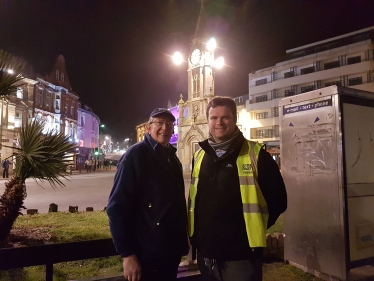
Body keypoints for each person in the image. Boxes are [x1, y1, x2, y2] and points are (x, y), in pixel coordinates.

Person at [189, 97, 287, 281]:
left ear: (234, 120)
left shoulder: (257, 154)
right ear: (208, 120)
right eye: (214, 117)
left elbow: (278, 200)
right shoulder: (199, 155)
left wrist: (253, 227)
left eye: (225, 117)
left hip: (242, 255)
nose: (219, 122)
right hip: (207, 252)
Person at [107, 108, 189, 281]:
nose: (165, 128)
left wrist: (181, 245)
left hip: (169, 253)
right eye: (159, 123)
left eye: (169, 124)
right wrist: (128, 254)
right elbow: (117, 208)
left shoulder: (172, 159)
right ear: (148, 127)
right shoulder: (135, 155)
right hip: (146, 255)